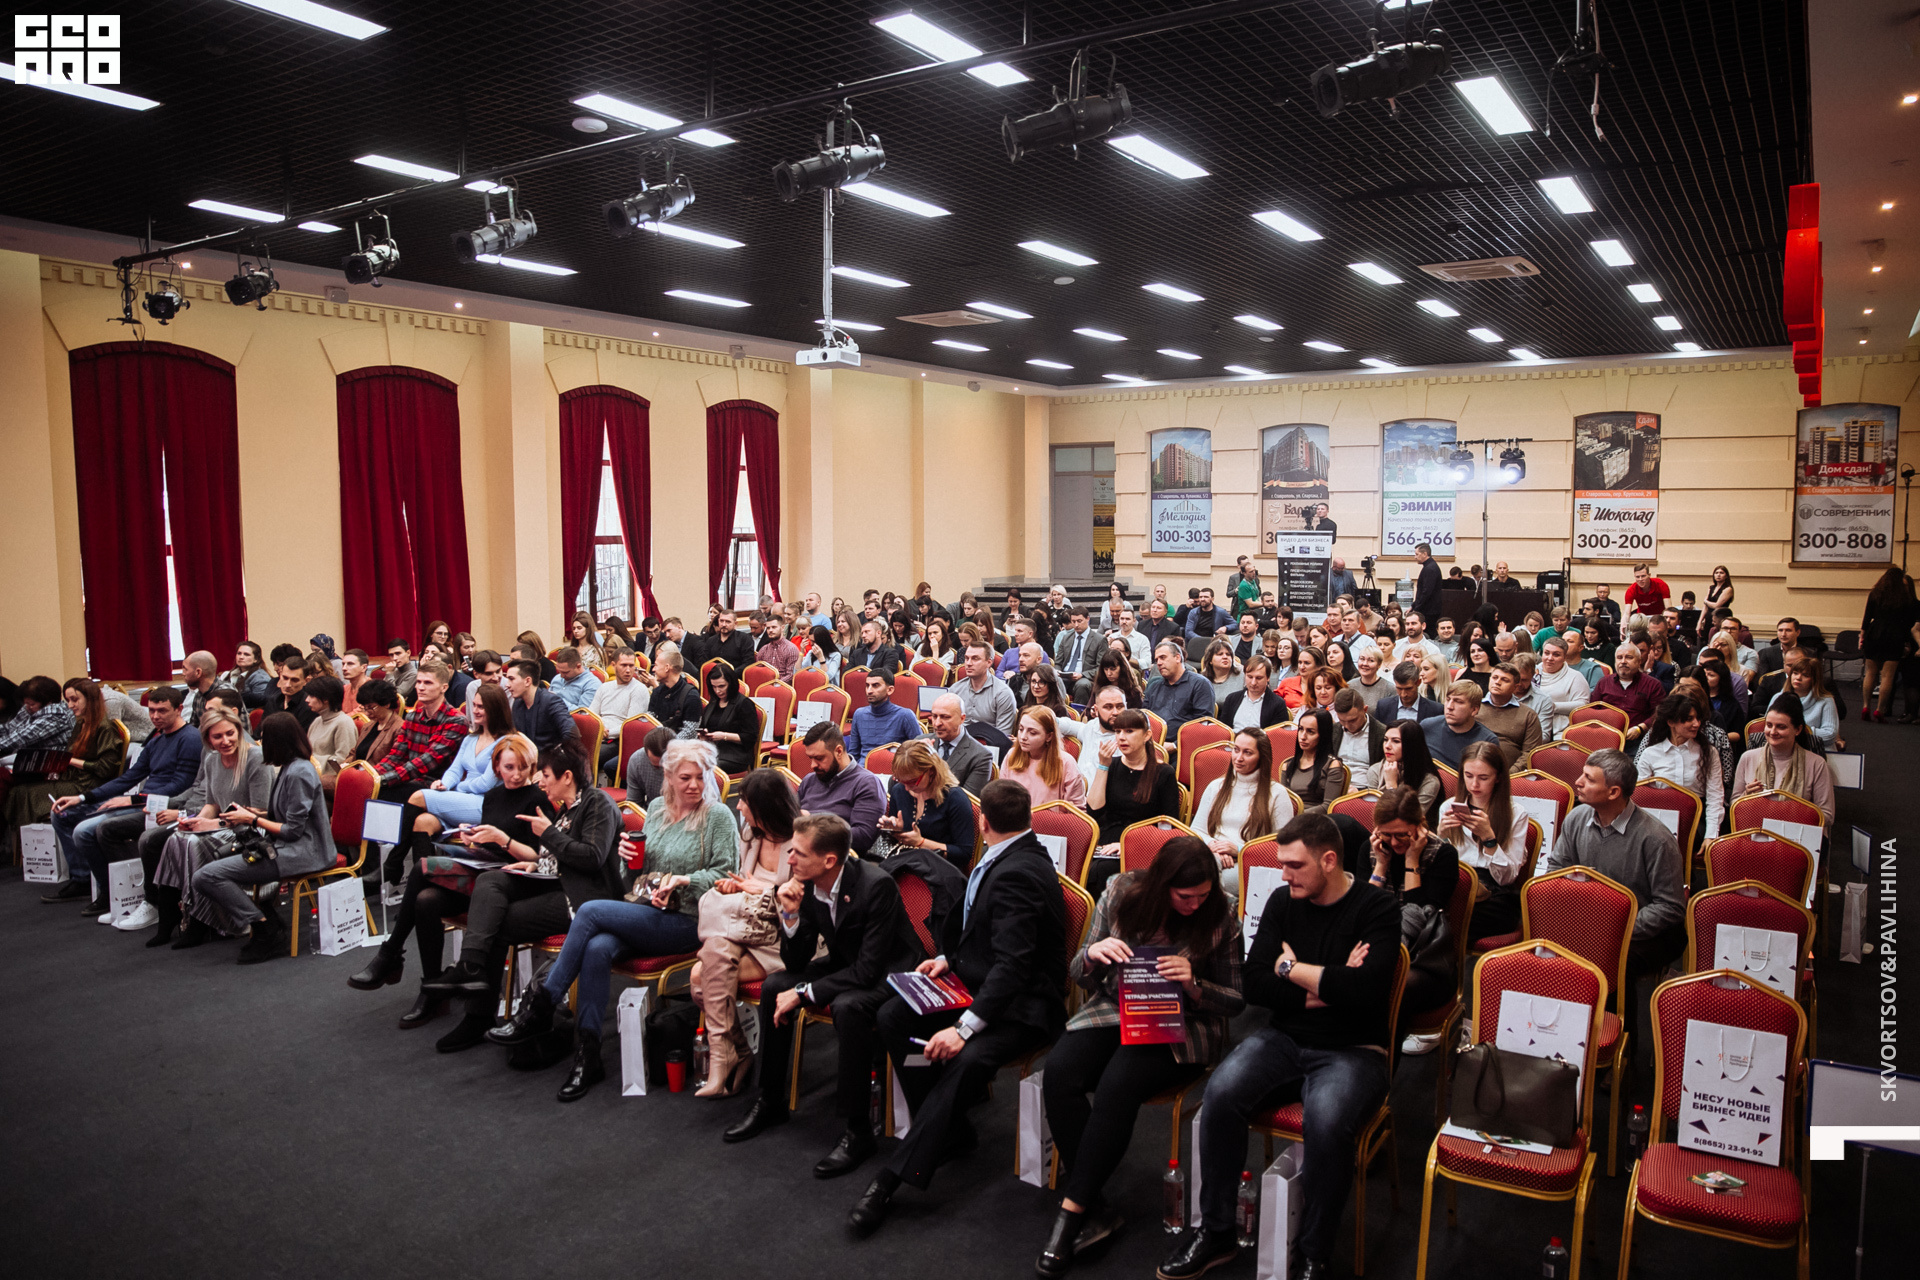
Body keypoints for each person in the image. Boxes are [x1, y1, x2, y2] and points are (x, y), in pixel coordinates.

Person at [1168, 812, 1399, 1280]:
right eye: (1282, 865)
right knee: (1220, 1095)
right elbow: (1255, 983)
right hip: (1285, 1037)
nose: (1284, 875)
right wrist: (1330, 980)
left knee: (1327, 1123)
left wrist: (1289, 968)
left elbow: (1365, 992)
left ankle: (1314, 1253)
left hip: (1354, 1049)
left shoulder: (1377, 908)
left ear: (1329, 860)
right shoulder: (1282, 901)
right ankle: (1216, 1231)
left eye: (1295, 865)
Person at [853, 780, 1068, 1233]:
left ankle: (895, 1175)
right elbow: (987, 933)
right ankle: (948, 1129)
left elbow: (1014, 967)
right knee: (893, 1017)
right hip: (981, 984)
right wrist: (949, 959)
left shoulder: (1018, 872)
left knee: (966, 1059)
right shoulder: (1007, 854)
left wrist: (963, 1028)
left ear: (983, 822)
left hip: (1023, 1007)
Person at [1036, 837, 1245, 1276]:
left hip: (1182, 1025)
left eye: (1203, 895)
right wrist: (1093, 956)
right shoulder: (1120, 892)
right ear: (1161, 885)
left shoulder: (1222, 913)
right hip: (1116, 1009)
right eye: (1185, 896)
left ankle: (1073, 1211)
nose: (1195, 904)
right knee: (1059, 1073)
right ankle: (1096, 1205)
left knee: (1118, 1084)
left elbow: (1235, 1001)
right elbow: (1077, 971)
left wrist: (1194, 986)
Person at [490, 737, 734, 1101]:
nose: (694, 785)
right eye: (685, 778)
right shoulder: (656, 809)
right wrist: (628, 859)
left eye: (700, 777)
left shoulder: (717, 816)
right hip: (647, 909)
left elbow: (726, 876)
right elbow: (632, 876)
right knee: (597, 948)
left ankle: (542, 1005)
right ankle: (588, 1054)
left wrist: (684, 881)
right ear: (668, 777)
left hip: (689, 920)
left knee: (590, 911)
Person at [726, 810, 924, 1174]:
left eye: (798, 853)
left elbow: (868, 971)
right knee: (775, 985)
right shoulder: (807, 885)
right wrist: (790, 916)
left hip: (891, 973)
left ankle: (857, 1130)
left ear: (829, 860)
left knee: (849, 1007)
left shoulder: (875, 886)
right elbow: (796, 961)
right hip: (848, 963)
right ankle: (770, 1100)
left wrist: (805, 993)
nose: (789, 859)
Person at [347, 733, 544, 1019]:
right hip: (484, 869)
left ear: (531, 766)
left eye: (522, 768)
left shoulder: (536, 799)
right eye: (509, 768)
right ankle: (431, 990)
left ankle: (391, 953)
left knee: (421, 868)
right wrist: (473, 839)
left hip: (511, 880)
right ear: (496, 768)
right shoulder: (492, 797)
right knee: (426, 900)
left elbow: (539, 857)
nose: (516, 775)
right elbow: (489, 841)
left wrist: (502, 841)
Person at [1541, 749, 1687, 1015]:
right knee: (1543, 950)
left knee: (1610, 960)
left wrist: (1612, 929)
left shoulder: (1655, 838)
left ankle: (1618, 1033)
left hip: (1649, 932)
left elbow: (1670, 907)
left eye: (1589, 778)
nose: (1578, 782)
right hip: (1589, 922)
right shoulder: (1576, 818)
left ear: (1613, 792)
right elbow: (1556, 872)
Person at [185, 713, 331, 965]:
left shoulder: (298, 773)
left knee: (206, 877)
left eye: (264, 739)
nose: (260, 744)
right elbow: (281, 816)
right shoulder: (291, 768)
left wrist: (252, 819)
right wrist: (245, 815)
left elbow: (293, 831)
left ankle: (264, 927)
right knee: (213, 866)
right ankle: (265, 920)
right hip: (286, 848)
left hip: (303, 852)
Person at [43, 686, 200, 912]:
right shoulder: (156, 740)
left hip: (161, 807)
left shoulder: (190, 738)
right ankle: (82, 879)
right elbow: (129, 778)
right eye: (151, 710)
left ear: (179, 709)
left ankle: (111, 892)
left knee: (84, 831)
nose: (155, 716)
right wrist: (82, 797)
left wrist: (133, 800)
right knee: (63, 814)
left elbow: (179, 787)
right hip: (141, 801)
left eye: (162, 711)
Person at [133, 707, 272, 944]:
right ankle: (169, 915)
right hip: (224, 825)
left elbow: (260, 811)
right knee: (177, 837)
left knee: (195, 843)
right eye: (217, 737)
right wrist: (196, 821)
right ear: (208, 739)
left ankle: (199, 921)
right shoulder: (211, 759)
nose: (225, 741)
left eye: (230, 734)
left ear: (239, 732)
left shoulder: (256, 758)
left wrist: (211, 823)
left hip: (252, 830)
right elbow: (212, 804)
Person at [1364, 785, 1460, 1046]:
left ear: (1419, 826)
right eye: (1387, 835)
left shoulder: (1443, 855)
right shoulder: (1371, 850)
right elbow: (1362, 910)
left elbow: (1421, 917)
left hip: (1426, 959)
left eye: (1402, 835)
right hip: (1377, 948)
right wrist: (1380, 865)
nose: (1394, 843)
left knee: (1395, 984)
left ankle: (1382, 1059)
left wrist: (1411, 861)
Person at [1, 678, 123, 850]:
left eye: (74, 700)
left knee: (23, 791)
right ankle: (28, 850)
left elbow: (105, 769)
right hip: (72, 777)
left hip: (87, 784)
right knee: (19, 791)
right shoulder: (80, 723)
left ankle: (38, 850)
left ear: (90, 699)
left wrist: (69, 760)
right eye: (68, 700)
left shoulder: (105, 728)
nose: (70, 705)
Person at [1083, 709, 1183, 892]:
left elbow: (1169, 826)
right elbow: (1094, 811)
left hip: (1143, 842)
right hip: (1105, 839)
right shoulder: (1112, 764)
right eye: (1118, 731)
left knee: (1100, 871)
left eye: (1129, 731)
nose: (1121, 737)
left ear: (1147, 735)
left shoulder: (1163, 773)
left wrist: (1130, 843)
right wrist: (1103, 766)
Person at [1442, 742, 1533, 944]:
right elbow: (1440, 865)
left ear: (1498, 778)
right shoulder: (1448, 806)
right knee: (1432, 910)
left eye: (1483, 778)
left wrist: (1489, 839)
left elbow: (1507, 878)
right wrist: (1441, 839)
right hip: (1456, 883)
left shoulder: (1516, 813)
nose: (1474, 785)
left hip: (1495, 892)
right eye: (1468, 776)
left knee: (1451, 920)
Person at [1192, 727, 1297, 893]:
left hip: (1250, 863)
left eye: (1247, 753)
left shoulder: (1277, 793)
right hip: (1211, 857)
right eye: (1236, 750)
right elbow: (1196, 830)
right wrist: (1214, 848)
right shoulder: (1216, 786)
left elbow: (1283, 845)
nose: (1239, 758)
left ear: (1261, 757)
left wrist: (1240, 850)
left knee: (1201, 879)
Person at [1731, 694, 1835, 825]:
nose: (1772, 732)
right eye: (1769, 725)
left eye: (1781, 727)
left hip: (1797, 834)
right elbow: (1734, 805)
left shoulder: (1817, 764)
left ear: (1798, 730)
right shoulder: (1747, 758)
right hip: (1756, 831)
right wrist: (1746, 795)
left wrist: (1785, 812)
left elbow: (1827, 815)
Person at [1637, 692, 1726, 841]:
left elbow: (1715, 797)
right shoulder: (1651, 753)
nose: (1696, 724)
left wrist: (1711, 836)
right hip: (1659, 818)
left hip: (1695, 821)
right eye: (1689, 719)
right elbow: (1641, 796)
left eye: (1698, 718)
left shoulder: (1708, 753)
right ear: (1671, 722)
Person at [878, 739, 979, 867]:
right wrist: (895, 830)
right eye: (900, 780)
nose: (907, 788)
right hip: (904, 863)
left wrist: (921, 842)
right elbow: (894, 844)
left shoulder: (955, 798)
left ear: (931, 771)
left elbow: (963, 854)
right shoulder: (899, 790)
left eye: (913, 782)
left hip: (939, 869)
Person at [796, 722, 887, 855]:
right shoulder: (809, 781)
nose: (813, 765)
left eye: (819, 758)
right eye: (810, 758)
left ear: (838, 751)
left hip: (840, 859)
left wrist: (813, 824)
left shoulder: (866, 783)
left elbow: (863, 838)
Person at [1000, 706, 1087, 808]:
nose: (1023, 737)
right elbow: (1001, 799)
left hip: (1051, 818)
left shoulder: (1066, 763)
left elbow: (1076, 812)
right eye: (1021, 729)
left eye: (1032, 733)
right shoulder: (1012, 755)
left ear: (1049, 736)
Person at [1858, 567, 1914, 722]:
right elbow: (1907, 622)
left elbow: (1866, 618)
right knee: (1887, 676)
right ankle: (1880, 710)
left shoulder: (1875, 593)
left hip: (1874, 632)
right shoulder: (1904, 597)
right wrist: (1906, 642)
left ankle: (1865, 706)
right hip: (1894, 635)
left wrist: (1862, 637)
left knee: (1870, 672)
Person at [587, 649, 651, 780]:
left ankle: (587, 790)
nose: (628, 670)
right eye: (623, 665)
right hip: (599, 735)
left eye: (631, 666)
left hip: (619, 740)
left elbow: (630, 726)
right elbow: (592, 715)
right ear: (613, 665)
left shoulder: (639, 689)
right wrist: (597, 729)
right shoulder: (604, 687)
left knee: (588, 757)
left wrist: (607, 732)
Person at [1366, 720, 1445, 825]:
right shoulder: (1375, 770)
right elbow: (1371, 814)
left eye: (1396, 741)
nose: (1387, 746)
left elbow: (1409, 821)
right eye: (1385, 740)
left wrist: (1391, 786)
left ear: (1411, 745)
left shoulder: (1430, 781)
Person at [694, 661, 760, 776]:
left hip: (735, 755)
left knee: (705, 766)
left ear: (731, 684)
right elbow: (705, 726)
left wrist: (724, 736)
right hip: (712, 750)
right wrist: (704, 735)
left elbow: (750, 737)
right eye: (714, 687)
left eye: (721, 686)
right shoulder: (713, 703)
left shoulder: (744, 704)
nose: (717, 691)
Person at [1475, 662, 1543, 769]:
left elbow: (1530, 753)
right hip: (1471, 769)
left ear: (1515, 687)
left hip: (1510, 774)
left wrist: (1509, 775)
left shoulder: (1528, 715)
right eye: (1495, 677)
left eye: (1505, 680)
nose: (1497, 682)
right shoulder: (1474, 707)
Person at [925, 693, 994, 795]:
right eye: (934, 716)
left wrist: (933, 760)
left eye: (945, 717)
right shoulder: (919, 742)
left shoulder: (981, 756)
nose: (937, 723)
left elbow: (967, 800)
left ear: (962, 718)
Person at [1420, 683, 1500, 771]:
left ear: (1474, 710)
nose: (1449, 707)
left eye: (1458, 702)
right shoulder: (1427, 726)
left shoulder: (1487, 740)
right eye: (1448, 699)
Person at [1281, 707, 1350, 810]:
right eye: (1301, 729)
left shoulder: (1332, 765)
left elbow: (1328, 806)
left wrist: (1298, 816)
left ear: (1323, 735)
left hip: (1317, 818)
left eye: (1311, 732)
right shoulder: (1288, 765)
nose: (1303, 736)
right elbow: (1283, 802)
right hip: (1290, 816)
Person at [1143, 641, 1215, 737]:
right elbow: (1143, 717)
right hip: (1152, 741)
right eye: (1156, 660)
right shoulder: (1154, 685)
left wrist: (1175, 744)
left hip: (1182, 743)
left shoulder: (1200, 684)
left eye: (1163, 657)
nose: (1159, 663)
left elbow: (1202, 724)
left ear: (1177, 657)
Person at [1773, 657, 1840, 752]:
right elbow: (1765, 726)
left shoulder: (1826, 700)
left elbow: (1830, 734)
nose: (1798, 678)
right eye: (1795, 673)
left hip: (1815, 750)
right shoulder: (1778, 697)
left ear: (1814, 679)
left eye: (1805, 675)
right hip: (1782, 749)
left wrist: (1801, 731)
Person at [1592, 642, 1664, 732]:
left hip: (1639, 735)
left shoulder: (1652, 684)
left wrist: (1641, 728)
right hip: (1606, 734)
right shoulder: (1603, 682)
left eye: (1629, 657)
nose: (1623, 661)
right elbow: (1592, 710)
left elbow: (1660, 713)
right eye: (1619, 657)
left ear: (1639, 662)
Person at [954, 640, 1019, 738]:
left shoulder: (1003, 694)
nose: (968, 663)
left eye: (975, 659)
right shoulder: (955, 689)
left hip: (990, 744)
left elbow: (1002, 738)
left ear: (989, 662)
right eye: (966, 658)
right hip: (958, 743)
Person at [1532, 636, 1592, 740]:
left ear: (1564, 657)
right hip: (1529, 726)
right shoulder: (1531, 673)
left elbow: (1583, 705)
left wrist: (1553, 706)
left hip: (1560, 732)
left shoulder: (1575, 677)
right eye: (1546, 653)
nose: (1550, 658)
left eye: (1556, 655)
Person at [1328, 687, 1385, 781]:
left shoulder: (1382, 734)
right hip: (1335, 784)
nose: (1347, 726)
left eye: (1352, 720)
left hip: (1366, 787)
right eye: (1342, 720)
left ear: (1365, 709)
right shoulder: (1333, 731)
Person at [1219, 654, 1286, 729]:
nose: (1253, 682)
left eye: (1259, 678)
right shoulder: (1232, 699)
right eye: (1250, 677)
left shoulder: (1278, 704)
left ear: (1268, 678)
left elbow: (1277, 734)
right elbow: (1223, 730)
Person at [1052, 606, 1100, 703]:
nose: (1076, 625)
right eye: (1073, 621)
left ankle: (1079, 711)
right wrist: (1057, 671)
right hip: (1064, 675)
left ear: (1087, 619)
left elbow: (1101, 667)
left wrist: (1082, 675)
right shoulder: (1066, 638)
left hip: (1085, 677)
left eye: (1079, 621)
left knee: (1082, 685)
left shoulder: (1099, 640)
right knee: (1050, 680)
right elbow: (1058, 662)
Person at [1374, 660, 1441, 726]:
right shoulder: (1383, 706)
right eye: (1399, 688)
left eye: (1408, 689)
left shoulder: (1435, 710)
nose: (1403, 694)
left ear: (1418, 682)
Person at [625, 724, 673, 809]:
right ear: (646, 753)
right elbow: (634, 805)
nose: (664, 772)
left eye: (666, 766)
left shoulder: (692, 761)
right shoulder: (637, 760)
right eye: (657, 767)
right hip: (651, 812)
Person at [217, 640, 274, 709]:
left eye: (246, 654)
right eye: (239, 653)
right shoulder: (230, 674)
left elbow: (260, 704)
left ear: (256, 659)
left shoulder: (260, 677)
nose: (241, 657)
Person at [547, 647, 600, 711]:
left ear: (578, 666)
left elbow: (583, 713)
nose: (561, 676)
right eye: (559, 671)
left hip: (568, 716)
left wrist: (557, 700)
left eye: (565, 672)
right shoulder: (557, 678)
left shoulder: (591, 684)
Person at [1410, 541, 1443, 635]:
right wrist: (1413, 606)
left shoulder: (1429, 569)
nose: (1415, 557)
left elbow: (1426, 592)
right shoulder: (1430, 566)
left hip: (1428, 611)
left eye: (1417, 554)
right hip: (1429, 609)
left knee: (1428, 635)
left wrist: (1416, 608)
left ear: (1425, 554)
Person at [1199, 639, 1244, 709]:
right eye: (1220, 654)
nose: (1225, 657)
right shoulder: (1201, 680)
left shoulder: (1244, 675)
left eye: (1228, 654)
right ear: (1210, 660)